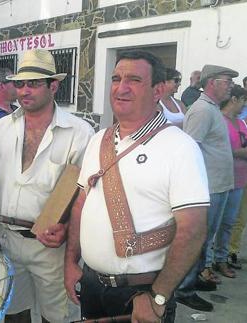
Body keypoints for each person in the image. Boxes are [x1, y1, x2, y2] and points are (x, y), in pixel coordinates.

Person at [65, 50, 210, 322]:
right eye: (116, 78)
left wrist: (158, 296)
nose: (121, 88)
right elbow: (81, 205)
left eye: (133, 80)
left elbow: (193, 230)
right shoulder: (98, 140)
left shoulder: (180, 147)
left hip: (142, 292)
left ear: (157, 91)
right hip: (92, 285)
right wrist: (71, 263)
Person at [0, 49, 93, 322]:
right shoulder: (1, 128)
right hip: (4, 239)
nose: (24, 91)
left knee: (58, 317)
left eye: (33, 83)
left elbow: (87, 196)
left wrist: (67, 230)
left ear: (53, 85)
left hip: (51, 248)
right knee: (11, 313)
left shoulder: (79, 133)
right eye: (20, 84)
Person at [175, 64, 238, 312]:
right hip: (207, 188)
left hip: (218, 186)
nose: (231, 86)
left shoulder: (212, 109)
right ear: (212, 82)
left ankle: (195, 279)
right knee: (197, 240)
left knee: (205, 239)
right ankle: (184, 288)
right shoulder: (202, 110)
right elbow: (190, 149)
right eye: (227, 81)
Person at [217, 84, 247, 278]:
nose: (245, 104)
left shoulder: (242, 123)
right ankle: (209, 262)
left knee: (230, 222)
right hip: (223, 179)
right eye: (243, 100)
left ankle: (223, 258)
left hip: (240, 178)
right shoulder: (220, 121)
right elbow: (215, 150)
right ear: (234, 99)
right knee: (216, 224)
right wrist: (239, 153)